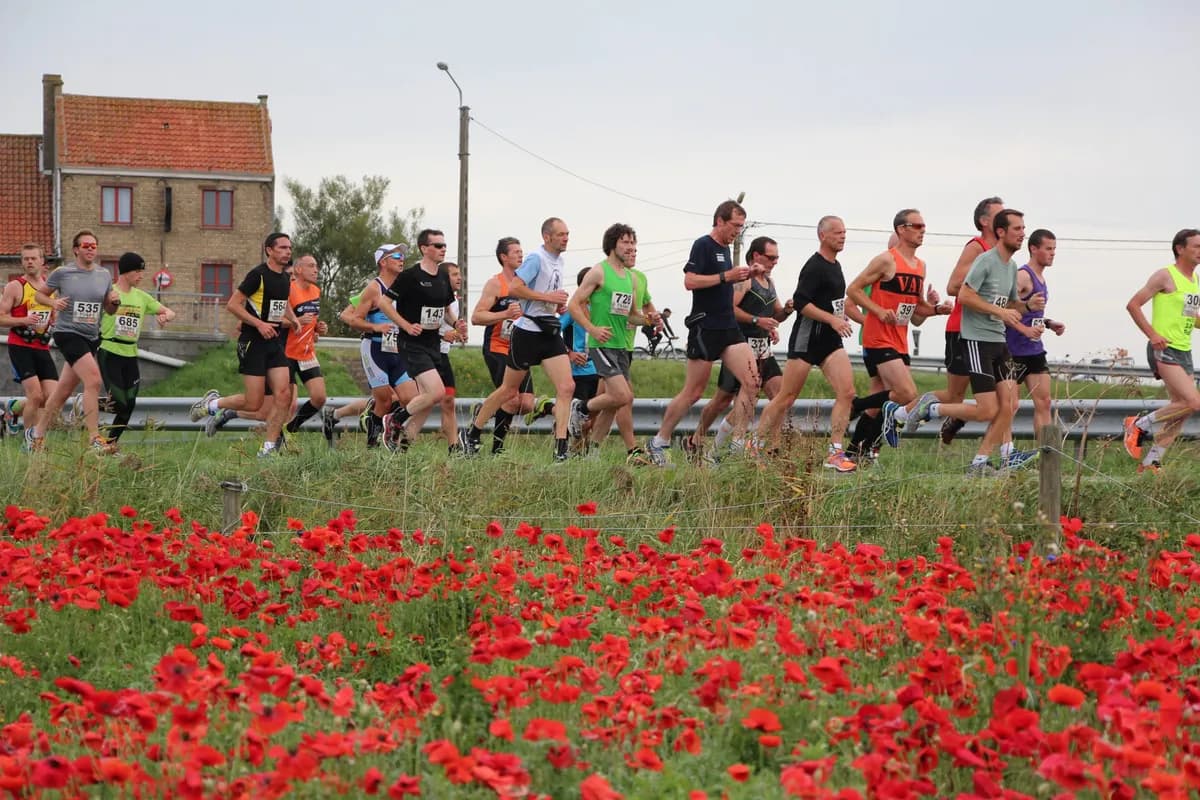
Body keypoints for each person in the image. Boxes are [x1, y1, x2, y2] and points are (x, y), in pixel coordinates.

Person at [893, 210, 1045, 475]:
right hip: (977, 341)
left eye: (1024, 228)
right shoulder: (985, 260)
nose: (1022, 234)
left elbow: (1007, 304)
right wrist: (999, 312)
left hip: (999, 341)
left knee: (1009, 405)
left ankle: (979, 463)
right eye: (1017, 229)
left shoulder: (1010, 267)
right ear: (1001, 232)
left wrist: (1025, 305)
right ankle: (930, 408)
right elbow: (963, 295)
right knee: (988, 410)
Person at [645, 200, 759, 466]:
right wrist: (725, 277)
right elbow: (690, 281)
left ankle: (737, 445)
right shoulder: (703, 245)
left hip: (729, 327)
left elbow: (726, 280)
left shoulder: (726, 249)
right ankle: (659, 441)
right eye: (735, 226)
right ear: (720, 220)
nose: (738, 232)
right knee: (693, 392)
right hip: (705, 326)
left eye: (742, 227)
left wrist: (746, 274)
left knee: (753, 382)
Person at [753, 217, 862, 471]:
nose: (843, 236)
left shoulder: (836, 266)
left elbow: (833, 301)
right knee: (787, 396)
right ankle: (755, 445)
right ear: (822, 235)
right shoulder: (813, 266)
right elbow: (802, 302)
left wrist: (845, 317)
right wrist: (832, 320)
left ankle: (835, 452)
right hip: (807, 338)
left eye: (845, 232)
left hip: (830, 341)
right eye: (837, 232)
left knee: (847, 393)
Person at [462, 218, 575, 462]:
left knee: (567, 387)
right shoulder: (536, 259)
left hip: (548, 331)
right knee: (508, 391)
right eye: (561, 234)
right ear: (547, 237)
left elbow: (544, 296)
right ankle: (472, 432)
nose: (566, 238)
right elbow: (515, 288)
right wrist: (548, 297)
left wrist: (558, 305)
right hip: (527, 333)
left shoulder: (560, 261)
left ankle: (561, 449)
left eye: (568, 234)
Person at [844, 210, 947, 460]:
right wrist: (877, 311)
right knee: (907, 394)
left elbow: (916, 313)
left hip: (900, 340)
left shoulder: (920, 266)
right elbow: (853, 290)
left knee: (884, 402)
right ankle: (855, 406)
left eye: (924, 225)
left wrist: (937, 310)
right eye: (917, 225)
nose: (923, 230)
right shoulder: (886, 260)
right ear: (902, 229)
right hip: (878, 337)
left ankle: (857, 452)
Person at [189, 232, 299, 458]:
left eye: (289, 248)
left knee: (284, 394)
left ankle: (267, 450)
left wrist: (293, 318)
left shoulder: (285, 278)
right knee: (253, 402)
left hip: (274, 342)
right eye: (282, 248)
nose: (288, 251)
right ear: (269, 250)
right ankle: (212, 404)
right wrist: (259, 324)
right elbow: (233, 304)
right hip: (253, 342)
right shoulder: (257, 275)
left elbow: (282, 301)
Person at [686, 235, 792, 460]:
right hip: (740, 347)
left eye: (778, 258)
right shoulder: (745, 281)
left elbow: (776, 314)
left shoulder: (770, 283)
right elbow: (729, 310)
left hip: (763, 349)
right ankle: (697, 440)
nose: (775, 262)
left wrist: (787, 311)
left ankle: (772, 447)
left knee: (780, 395)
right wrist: (756, 321)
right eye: (771, 257)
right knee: (722, 401)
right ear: (756, 256)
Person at [26, 230, 120, 453]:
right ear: (76, 249)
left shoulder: (104, 275)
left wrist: (114, 302)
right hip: (67, 333)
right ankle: (94, 438)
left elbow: (108, 309)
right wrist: (53, 303)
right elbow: (40, 295)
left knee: (62, 392)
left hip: (91, 336)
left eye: (94, 245)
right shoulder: (63, 272)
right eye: (86, 245)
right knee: (94, 381)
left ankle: (36, 435)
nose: (90, 249)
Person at [378, 229, 465, 449]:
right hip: (412, 343)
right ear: (424, 249)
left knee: (427, 400)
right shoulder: (410, 276)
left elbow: (445, 308)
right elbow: (384, 304)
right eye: (437, 245)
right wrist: (405, 325)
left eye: (444, 245)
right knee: (437, 393)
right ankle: (395, 419)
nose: (442, 249)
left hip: (433, 343)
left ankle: (403, 443)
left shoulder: (443, 277)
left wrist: (456, 324)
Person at [565, 224, 649, 454]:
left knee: (616, 401)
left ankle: (592, 451)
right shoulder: (598, 272)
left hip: (621, 344)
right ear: (612, 245)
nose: (630, 246)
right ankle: (581, 408)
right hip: (601, 344)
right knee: (623, 395)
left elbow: (632, 315)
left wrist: (648, 320)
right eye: (625, 242)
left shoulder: (631, 278)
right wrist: (592, 329)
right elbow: (573, 304)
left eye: (633, 242)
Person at [1122, 228, 1200, 473]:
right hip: (1163, 347)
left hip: (1183, 350)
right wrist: (1153, 334)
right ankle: (1138, 425)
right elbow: (1133, 305)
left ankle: (1151, 462)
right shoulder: (1165, 276)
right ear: (1180, 249)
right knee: (1193, 402)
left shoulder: (1194, 280)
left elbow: (1190, 317)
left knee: (1182, 410)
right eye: (1196, 246)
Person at [940, 197, 1005, 444]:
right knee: (953, 396)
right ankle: (905, 411)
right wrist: (984, 294)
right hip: (962, 329)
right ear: (984, 221)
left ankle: (1003, 452)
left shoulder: (1002, 254)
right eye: (1000, 213)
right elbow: (953, 286)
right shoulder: (977, 247)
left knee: (1006, 398)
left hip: (987, 332)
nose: (1005, 217)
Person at [345, 244, 419, 449]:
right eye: (396, 255)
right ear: (383, 262)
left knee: (410, 399)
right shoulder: (373, 288)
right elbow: (354, 320)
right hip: (375, 348)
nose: (401, 258)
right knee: (384, 400)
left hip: (397, 349)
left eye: (403, 255)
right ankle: (372, 445)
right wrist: (376, 326)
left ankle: (392, 433)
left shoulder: (405, 286)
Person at [1002, 229, 1067, 464]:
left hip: (1034, 349)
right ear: (1034, 249)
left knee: (1045, 401)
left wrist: (1049, 323)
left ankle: (1047, 455)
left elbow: (1031, 313)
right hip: (1012, 349)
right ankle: (1007, 455)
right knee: (1010, 406)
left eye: (1054, 249)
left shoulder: (1041, 278)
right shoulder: (1022, 276)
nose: (1052, 254)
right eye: (1048, 249)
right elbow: (1006, 307)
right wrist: (1027, 310)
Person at [97, 252, 176, 442]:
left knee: (129, 404)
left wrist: (165, 316)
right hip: (110, 351)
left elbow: (170, 311)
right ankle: (88, 403)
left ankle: (110, 444)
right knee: (120, 403)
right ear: (125, 272)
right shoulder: (110, 292)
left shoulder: (142, 297)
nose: (141, 276)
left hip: (131, 354)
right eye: (138, 271)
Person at [471, 237, 537, 453]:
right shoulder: (496, 283)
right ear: (503, 257)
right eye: (515, 252)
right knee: (509, 397)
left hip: (520, 348)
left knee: (526, 404)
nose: (520, 255)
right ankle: (496, 449)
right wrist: (505, 314)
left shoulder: (526, 284)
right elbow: (476, 317)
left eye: (521, 251)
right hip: (497, 347)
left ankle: (486, 408)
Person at [0, 243, 57, 442]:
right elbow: (1, 317)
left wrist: (53, 321)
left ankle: (15, 407)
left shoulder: (50, 287)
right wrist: (23, 320)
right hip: (20, 346)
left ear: (42, 261)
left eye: (33, 258)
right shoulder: (15, 287)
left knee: (51, 397)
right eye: (26, 259)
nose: (30, 262)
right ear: (22, 262)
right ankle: (32, 441)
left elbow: (52, 315)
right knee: (35, 396)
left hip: (42, 347)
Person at [282, 255, 331, 441]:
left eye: (317, 266)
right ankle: (279, 441)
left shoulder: (316, 291)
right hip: (286, 353)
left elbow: (312, 321)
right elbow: (274, 319)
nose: (316, 270)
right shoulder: (288, 289)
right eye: (311, 266)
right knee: (286, 403)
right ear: (298, 270)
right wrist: (295, 321)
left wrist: (319, 327)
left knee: (319, 398)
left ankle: (291, 428)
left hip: (307, 353)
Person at [561, 267, 599, 452]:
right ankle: (571, 452)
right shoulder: (572, 310)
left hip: (599, 370)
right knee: (578, 418)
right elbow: (553, 332)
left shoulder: (601, 308)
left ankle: (584, 454)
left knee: (591, 420)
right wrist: (569, 353)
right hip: (579, 371)